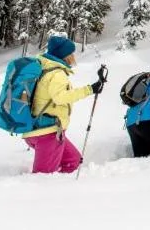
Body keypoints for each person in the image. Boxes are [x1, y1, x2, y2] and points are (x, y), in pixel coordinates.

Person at [23, 35, 106, 174]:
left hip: (40, 129)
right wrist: (90, 89)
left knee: (72, 161)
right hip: (47, 133)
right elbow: (61, 98)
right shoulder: (56, 73)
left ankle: (63, 190)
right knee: (42, 178)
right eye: (71, 52)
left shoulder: (43, 67)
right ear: (64, 55)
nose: (74, 55)